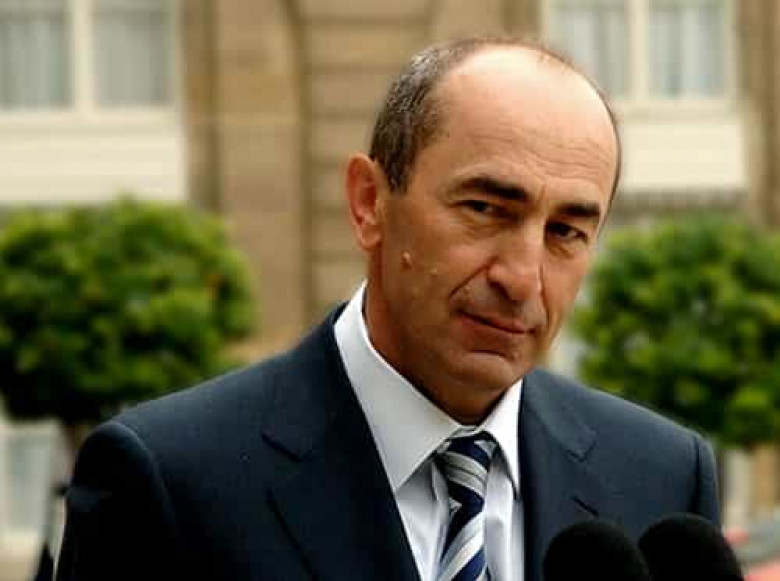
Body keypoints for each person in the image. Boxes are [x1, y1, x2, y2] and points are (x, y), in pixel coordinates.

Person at [55, 37, 719, 581]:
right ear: (369, 202)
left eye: (566, 231)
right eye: (485, 208)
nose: (522, 278)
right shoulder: (169, 479)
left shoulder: (662, 475)